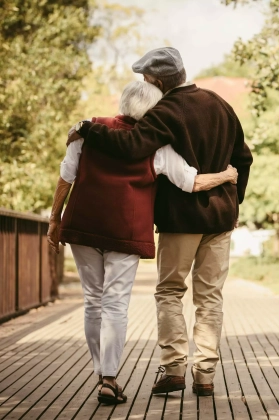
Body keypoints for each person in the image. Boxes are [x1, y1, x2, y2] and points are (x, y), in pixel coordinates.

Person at [68, 47, 253, 397]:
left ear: (155, 80)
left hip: (180, 219)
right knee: (210, 296)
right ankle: (205, 374)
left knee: (170, 292)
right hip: (220, 220)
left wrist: (87, 129)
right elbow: (243, 158)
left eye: (145, 79)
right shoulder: (220, 104)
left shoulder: (166, 110)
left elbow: (133, 145)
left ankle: (173, 370)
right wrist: (234, 202)